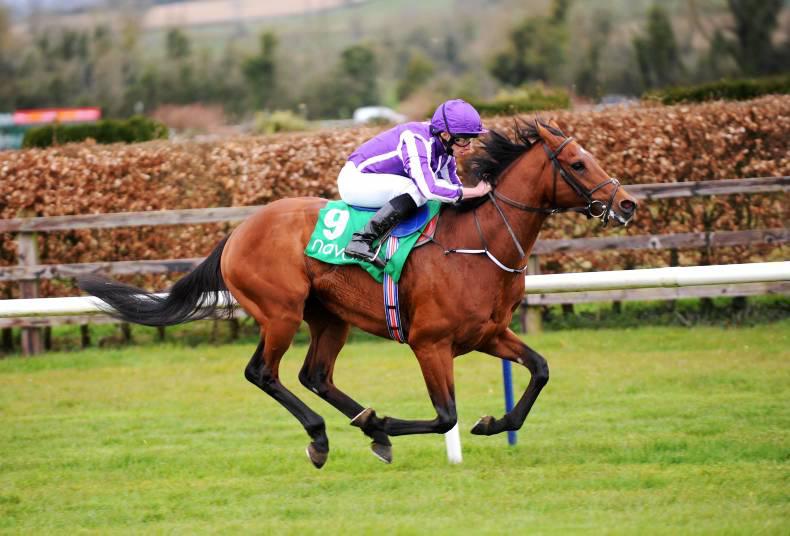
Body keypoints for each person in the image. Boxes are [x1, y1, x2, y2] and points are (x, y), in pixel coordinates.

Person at [338, 98, 492, 268]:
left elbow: (454, 189)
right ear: (445, 135)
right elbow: (429, 189)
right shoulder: (417, 140)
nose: (468, 147)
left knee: (437, 193)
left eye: (471, 139)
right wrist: (476, 191)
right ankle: (361, 240)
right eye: (463, 139)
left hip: (376, 180)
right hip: (355, 181)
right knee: (416, 191)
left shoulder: (446, 151)